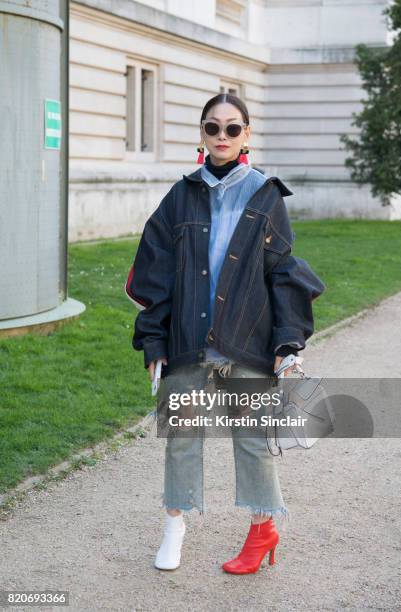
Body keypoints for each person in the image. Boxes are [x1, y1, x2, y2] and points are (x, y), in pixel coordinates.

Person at [125, 93, 326, 574]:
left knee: (254, 438)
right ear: (201, 134)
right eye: (212, 128)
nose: (221, 137)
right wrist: (154, 340)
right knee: (181, 433)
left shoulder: (266, 193)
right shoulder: (181, 195)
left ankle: (263, 531)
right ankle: (174, 527)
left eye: (232, 129)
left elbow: (281, 271)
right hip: (187, 336)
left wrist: (287, 342)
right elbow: (156, 273)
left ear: (246, 135)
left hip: (248, 336)